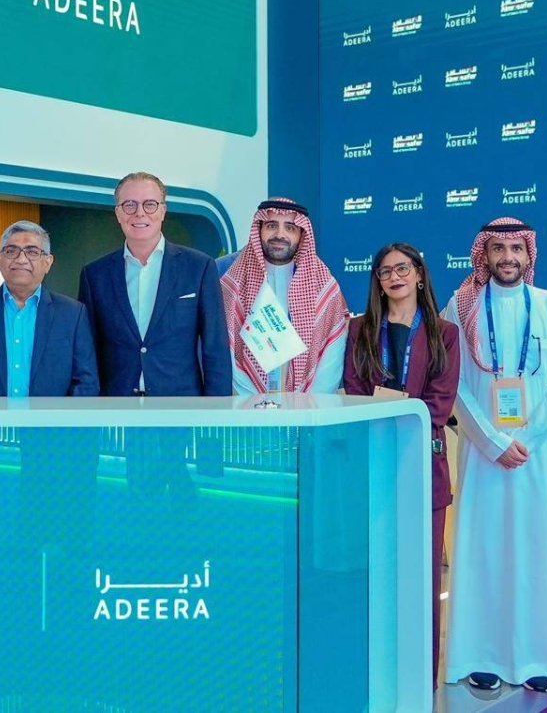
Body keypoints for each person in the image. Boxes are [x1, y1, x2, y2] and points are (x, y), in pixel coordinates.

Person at [442, 218, 547, 693]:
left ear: (528, 255)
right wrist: (492, 442)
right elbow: (454, 383)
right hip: (482, 454)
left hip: (537, 456)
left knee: (538, 552)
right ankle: (481, 653)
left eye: (516, 249)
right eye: (498, 249)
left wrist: (529, 437)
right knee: (483, 552)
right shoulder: (460, 307)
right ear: (484, 255)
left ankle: (539, 654)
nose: (507, 257)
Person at [342, 243, 460, 688]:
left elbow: (439, 405)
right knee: (375, 575)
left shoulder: (444, 334)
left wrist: (393, 420)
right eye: (385, 271)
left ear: (420, 276)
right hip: (373, 469)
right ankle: (375, 671)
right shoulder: (359, 330)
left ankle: (420, 678)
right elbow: (353, 391)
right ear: (377, 281)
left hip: (423, 470)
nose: (394, 277)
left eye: (403, 269)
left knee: (422, 578)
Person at [78, 172, 230, 509]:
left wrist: (217, 413)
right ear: (117, 213)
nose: (139, 213)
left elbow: (216, 345)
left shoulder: (199, 267)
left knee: (184, 498)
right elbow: (88, 350)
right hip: (120, 409)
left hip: (183, 408)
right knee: (131, 500)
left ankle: (184, 541)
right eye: (129, 205)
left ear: (163, 210)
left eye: (149, 204)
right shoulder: (94, 274)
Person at [0, 222, 99, 545]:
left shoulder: (73, 314)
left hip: (49, 446)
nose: (21, 259)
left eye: (32, 251)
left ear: (48, 262)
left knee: (41, 531)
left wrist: (59, 430)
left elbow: (86, 383)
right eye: (12, 251)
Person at [223, 198, 349, 395]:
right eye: (271, 226)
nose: (280, 235)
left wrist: (308, 405)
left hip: (308, 407)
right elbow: (225, 354)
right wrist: (251, 402)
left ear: (301, 234)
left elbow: (331, 357)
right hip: (246, 405)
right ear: (259, 230)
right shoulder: (233, 284)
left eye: (290, 228)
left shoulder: (324, 286)